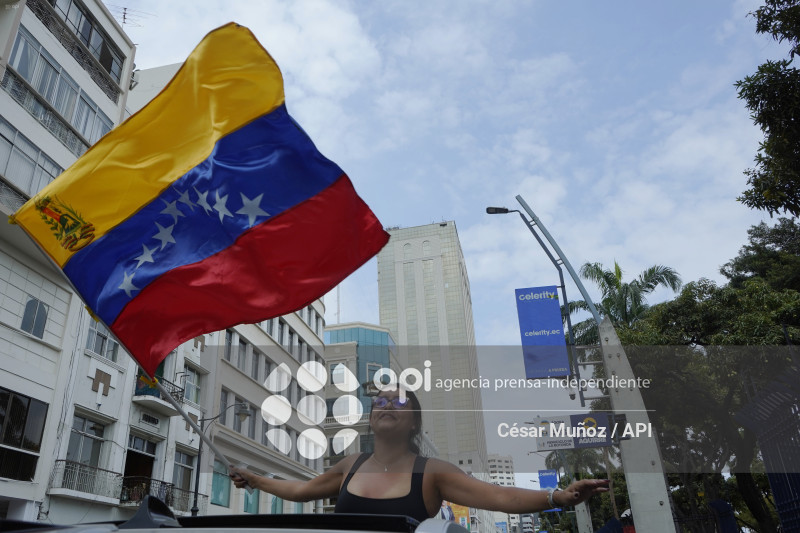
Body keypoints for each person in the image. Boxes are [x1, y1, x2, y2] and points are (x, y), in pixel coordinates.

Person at [230, 388, 609, 522]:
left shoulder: (433, 472)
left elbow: (499, 496)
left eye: (397, 401)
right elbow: (300, 491)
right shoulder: (350, 465)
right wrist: (254, 476)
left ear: (414, 422)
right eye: (379, 401)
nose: (385, 404)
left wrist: (560, 496)